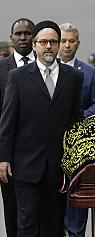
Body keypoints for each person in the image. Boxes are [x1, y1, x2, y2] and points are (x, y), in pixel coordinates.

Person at [0, 20, 83, 237]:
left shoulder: (73, 77)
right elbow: (8, 120)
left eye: (53, 42)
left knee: (54, 224)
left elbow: (76, 118)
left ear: (57, 46)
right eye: (44, 42)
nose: (49, 46)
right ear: (35, 45)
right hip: (25, 164)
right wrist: (4, 158)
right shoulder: (17, 77)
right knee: (27, 223)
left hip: (58, 165)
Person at [58, 22, 95, 237]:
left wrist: (76, 119)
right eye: (63, 41)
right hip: (48, 144)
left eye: (71, 41)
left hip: (78, 144)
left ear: (78, 44)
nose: (67, 45)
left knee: (76, 194)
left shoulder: (90, 72)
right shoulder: (42, 71)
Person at [0, 18, 35, 237]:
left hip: (39, 150)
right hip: (10, 153)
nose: (23, 38)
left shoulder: (45, 65)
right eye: (19, 34)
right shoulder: (1, 69)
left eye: (28, 33)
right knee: (12, 208)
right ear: (12, 38)